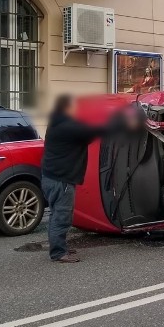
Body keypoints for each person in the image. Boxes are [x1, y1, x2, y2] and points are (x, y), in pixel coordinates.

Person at [41, 95, 140, 263]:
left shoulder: (56, 122)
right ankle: (58, 252)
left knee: (57, 214)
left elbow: (87, 135)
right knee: (62, 216)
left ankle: (59, 246)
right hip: (61, 180)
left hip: (51, 177)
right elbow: (96, 131)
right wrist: (124, 122)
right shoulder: (68, 126)